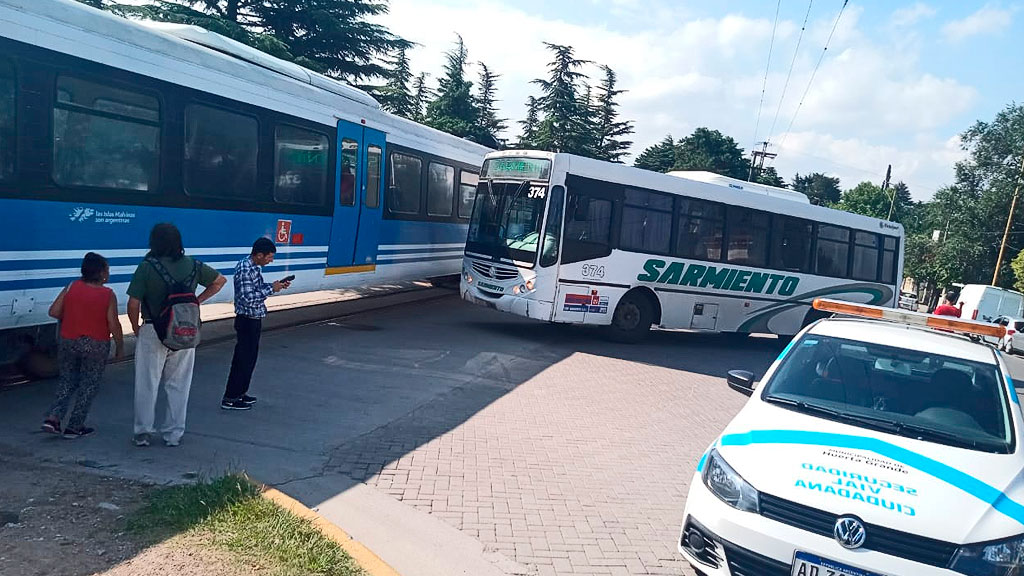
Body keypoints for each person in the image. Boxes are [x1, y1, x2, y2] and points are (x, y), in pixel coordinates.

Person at [127, 223, 226, 447]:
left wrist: (136, 328)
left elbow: (133, 303)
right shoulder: (193, 264)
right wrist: (196, 301)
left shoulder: (147, 267)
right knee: (179, 384)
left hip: (153, 329)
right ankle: (173, 434)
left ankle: (143, 432)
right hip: (185, 330)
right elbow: (220, 281)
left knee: (147, 383)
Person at [42, 253, 124, 438]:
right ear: (102, 273)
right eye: (107, 270)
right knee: (89, 385)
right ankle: (74, 426)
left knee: (67, 380)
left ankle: (53, 418)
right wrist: (119, 346)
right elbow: (113, 323)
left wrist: (74, 316)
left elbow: (54, 312)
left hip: (68, 341)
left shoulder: (71, 287)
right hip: (96, 345)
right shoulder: (107, 294)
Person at [221, 237, 290, 410]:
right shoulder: (245, 268)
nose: (271, 260)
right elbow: (248, 298)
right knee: (242, 360)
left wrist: (276, 286)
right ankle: (230, 398)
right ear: (259, 255)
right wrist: (271, 289)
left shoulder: (253, 267)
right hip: (247, 320)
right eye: (269, 257)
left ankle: (241, 393)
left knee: (249, 359)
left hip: (253, 319)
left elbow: (256, 289)